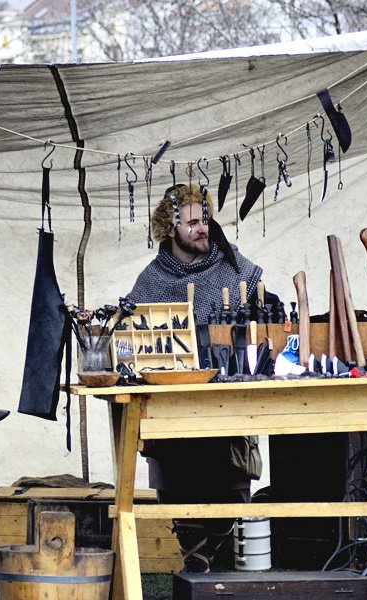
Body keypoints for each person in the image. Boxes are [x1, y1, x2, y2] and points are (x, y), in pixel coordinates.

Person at [127, 184, 267, 573]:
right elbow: (137, 342)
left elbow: (258, 321)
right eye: (192, 222)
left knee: (231, 483)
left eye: (204, 219)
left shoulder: (233, 267)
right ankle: (198, 561)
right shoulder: (150, 280)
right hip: (175, 413)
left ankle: (207, 561)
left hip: (225, 405)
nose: (203, 228)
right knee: (176, 480)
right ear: (169, 229)